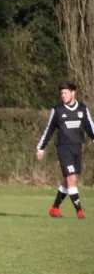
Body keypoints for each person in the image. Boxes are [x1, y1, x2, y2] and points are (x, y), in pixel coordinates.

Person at [36, 82, 94, 219]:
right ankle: (79, 211)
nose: (63, 95)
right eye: (61, 93)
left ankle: (55, 208)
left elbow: (89, 126)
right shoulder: (57, 110)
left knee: (67, 180)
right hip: (63, 148)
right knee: (71, 178)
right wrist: (41, 147)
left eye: (66, 92)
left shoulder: (82, 109)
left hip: (77, 147)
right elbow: (49, 130)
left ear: (73, 93)